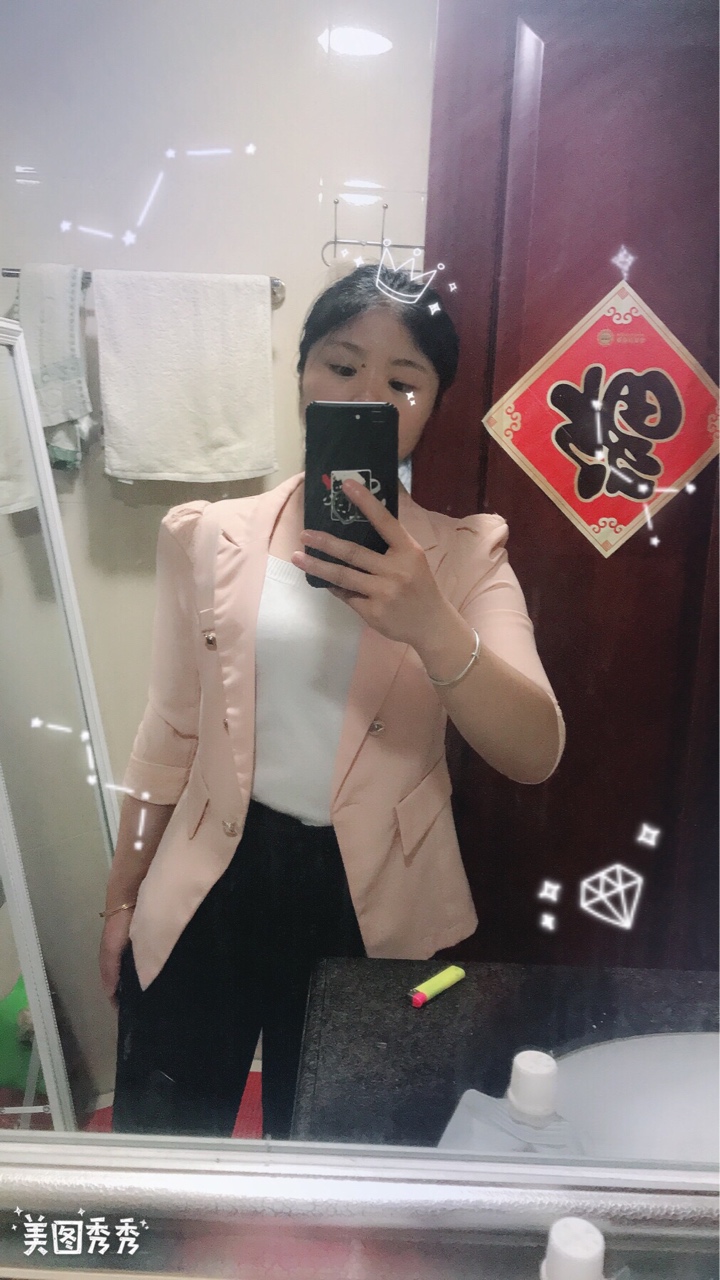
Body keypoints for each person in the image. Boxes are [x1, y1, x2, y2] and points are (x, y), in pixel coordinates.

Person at [100, 264, 565, 1139]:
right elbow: (169, 729)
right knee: (164, 1136)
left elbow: (535, 751)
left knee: (338, 1158)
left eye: (403, 382)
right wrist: (121, 895)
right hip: (209, 878)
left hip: (375, 901)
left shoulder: (467, 558)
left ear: (433, 405)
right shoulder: (208, 535)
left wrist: (432, 625)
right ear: (302, 374)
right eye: (342, 366)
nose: (367, 396)